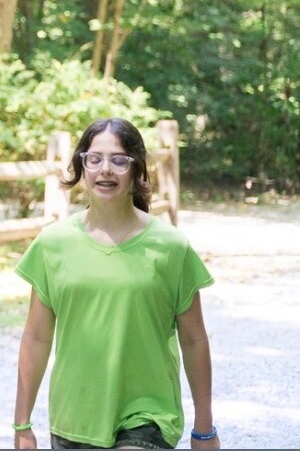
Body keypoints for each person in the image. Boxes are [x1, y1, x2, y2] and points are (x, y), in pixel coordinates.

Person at [13, 117, 219, 450]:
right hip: (74, 416)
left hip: (149, 415)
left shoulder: (171, 247)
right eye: (94, 159)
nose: (105, 169)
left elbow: (194, 339)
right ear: (82, 167)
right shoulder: (53, 244)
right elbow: (36, 338)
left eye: (119, 160)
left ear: (137, 170)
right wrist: (22, 425)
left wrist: (204, 427)